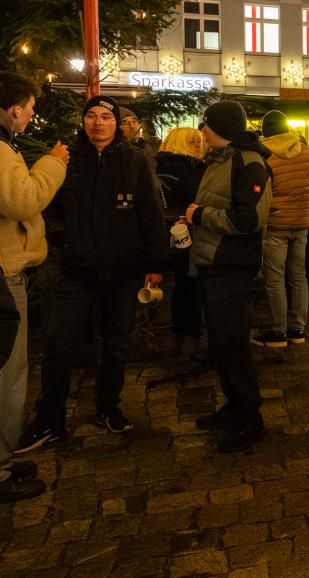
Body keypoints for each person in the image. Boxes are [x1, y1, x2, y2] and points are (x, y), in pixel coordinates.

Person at [18, 96, 166, 452]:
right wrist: (64, 238)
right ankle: (49, 419)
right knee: (60, 342)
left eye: (106, 117)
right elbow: (46, 206)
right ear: (83, 121)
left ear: (117, 124)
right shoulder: (66, 158)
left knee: (116, 341)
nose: (98, 122)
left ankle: (108, 407)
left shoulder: (134, 160)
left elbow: (149, 213)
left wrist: (155, 264)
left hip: (123, 269)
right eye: (92, 116)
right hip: (77, 268)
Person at [186, 101, 273, 453]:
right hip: (213, 262)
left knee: (233, 344)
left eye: (205, 124)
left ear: (219, 127)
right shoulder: (222, 159)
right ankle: (234, 407)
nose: (202, 131)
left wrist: (200, 215)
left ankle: (250, 418)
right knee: (221, 343)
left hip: (232, 265)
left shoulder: (248, 162)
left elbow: (248, 220)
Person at [0, 73, 68, 502]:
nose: (30, 117)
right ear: (14, 110)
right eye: (29, 109)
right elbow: (22, 200)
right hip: (3, 273)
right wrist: (53, 162)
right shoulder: (2, 150)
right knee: (8, 370)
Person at [255, 111, 309, 349]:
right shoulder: (308, 152)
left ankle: (278, 331)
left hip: (276, 223)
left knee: (275, 279)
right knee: (298, 276)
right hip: (302, 221)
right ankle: (298, 329)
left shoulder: (264, 154)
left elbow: (261, 190)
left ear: (266, 131)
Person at [155, 128, 208, 354]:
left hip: (164, 232)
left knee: (180, 283)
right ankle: (190, 336)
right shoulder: (195, 170)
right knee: (192, 284)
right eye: (194, 143)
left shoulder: (156, 166)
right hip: (188, 230)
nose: (200, 147)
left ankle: (177, 332)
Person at [120, 107, 159, 173]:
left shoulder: (150, 146)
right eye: (125, 123)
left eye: (134, 121)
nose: (132, 126)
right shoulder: (119, 152)